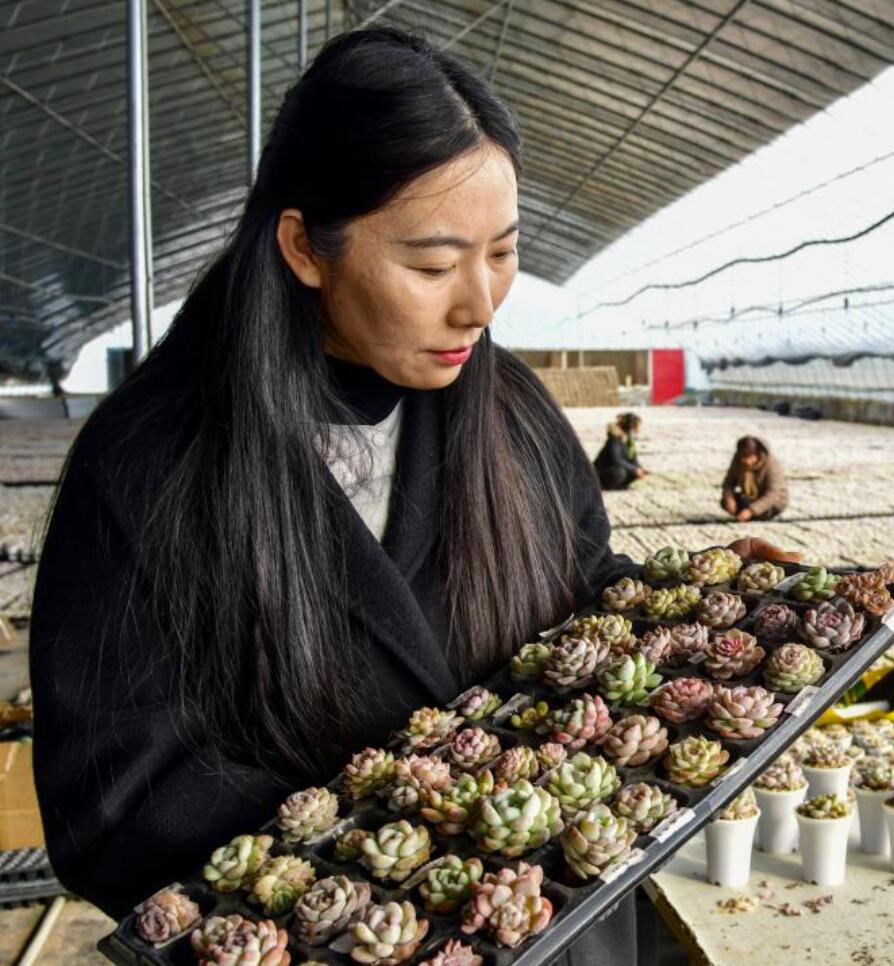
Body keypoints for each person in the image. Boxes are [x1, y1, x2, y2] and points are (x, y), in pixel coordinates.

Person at [28, 28, 796, 965]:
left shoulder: (510, 412)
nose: (480, 304)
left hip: (563, 930)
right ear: (306, 248)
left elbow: (582, 586)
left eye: (502, 254)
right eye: (432, 266)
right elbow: (115, 807)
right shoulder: (151, 466)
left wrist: (710, 610)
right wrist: (398, 838)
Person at [721, 435, 789, 522]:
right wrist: (729, 498)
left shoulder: (771, 465)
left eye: (750, 458)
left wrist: (751, 511)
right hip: (749, 496)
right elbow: (729, 482)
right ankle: (745, 514)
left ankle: (752, 515)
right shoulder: (738, 460)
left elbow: (773, 493)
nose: (747, 462)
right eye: (744, 458)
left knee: (768, 509)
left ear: (758, 454)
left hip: (773, 501)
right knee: (725, 502)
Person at [593, 411, 647, 490]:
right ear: (630, 428)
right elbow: (616, 459)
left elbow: (633, 458)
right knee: (620, 473)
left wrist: (639, 468)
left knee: (634, 473)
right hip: (603, 471)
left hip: (617, 469)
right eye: (636, 428)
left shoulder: (629, 441)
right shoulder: (615, 439)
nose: (638, 431)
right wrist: (634, 469)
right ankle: (606, 486)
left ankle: (619, 485)